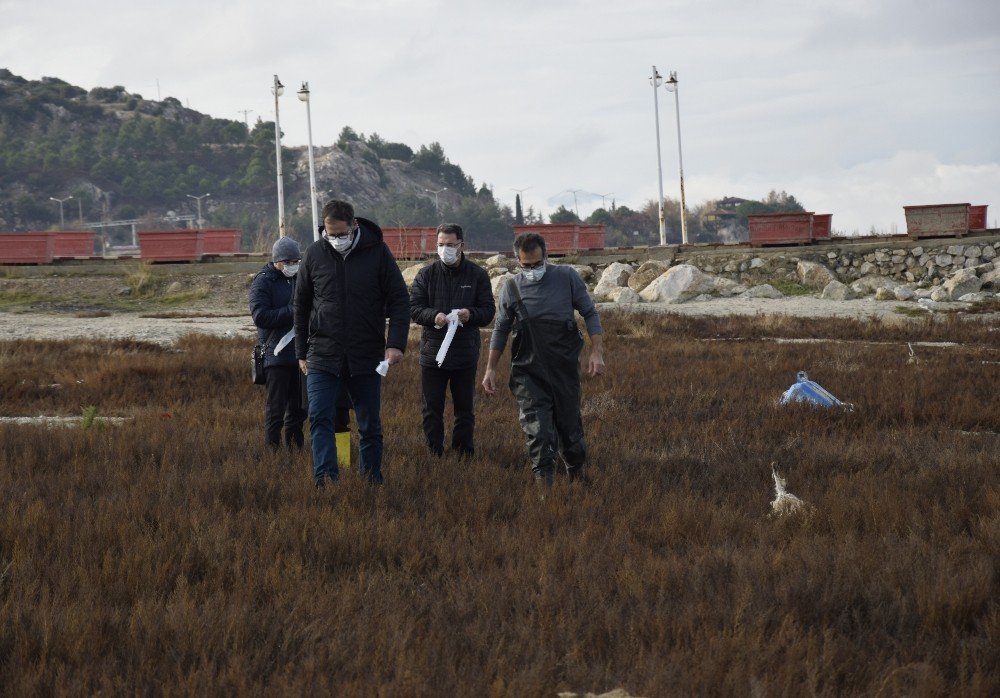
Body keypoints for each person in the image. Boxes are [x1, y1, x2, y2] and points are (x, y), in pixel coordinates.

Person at [294, 199, 409, 487]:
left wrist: (395, 344)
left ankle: (371, 481)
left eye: (341, 234)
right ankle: (326, 481)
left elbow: (399, 300)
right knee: (320, 417)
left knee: (369, 424)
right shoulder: (313, 254)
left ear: (354, 226)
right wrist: (301, 351)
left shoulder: (378, 253)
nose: (336, 240)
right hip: (321, 353)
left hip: (366, 353)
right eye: (330, 234)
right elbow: (301, 305)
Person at [482, 232, 606, 484]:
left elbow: (590, 313)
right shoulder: (511, 287)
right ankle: (544, 488)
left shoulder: (567, 277)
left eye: (538, 264)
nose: (532, 269)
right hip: (528, 373)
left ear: (546, 256)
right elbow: (501, 329)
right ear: (517, 261)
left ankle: (577, 476)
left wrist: (596, 352)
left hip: (564, 368)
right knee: (538, 432)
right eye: (526, 265)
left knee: (570, 429)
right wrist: (490, 369)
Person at [409, 223, 495, 457]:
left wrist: (471, 314)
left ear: (461, 245)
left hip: (465, 354)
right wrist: (433, 316)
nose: (445, 249)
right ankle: (434, 452)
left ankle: (463, 452)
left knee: (465, 409)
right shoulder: (425, 275)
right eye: (440, 245)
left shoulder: (477, 275)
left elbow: (488, 311)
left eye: (450, 245)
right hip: (432, 354)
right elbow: (414, 308)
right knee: (431, 408)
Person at [249, 236, 308, 450]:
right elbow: (260, 316)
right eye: (290, 262)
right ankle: (272, 455)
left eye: (297, 261)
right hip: (276, 355)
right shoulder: (263, 281)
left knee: (299, 411)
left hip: (300, 355)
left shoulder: (299, 277)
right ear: (278, 261)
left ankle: (295, 453)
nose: (294, 265)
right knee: (275, 411)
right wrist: (293, 311)